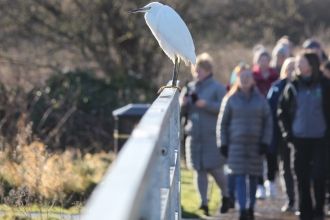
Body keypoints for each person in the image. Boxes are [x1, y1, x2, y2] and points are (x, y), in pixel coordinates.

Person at [278, 51, 330, 220]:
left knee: (319, 176)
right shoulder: (292, 85)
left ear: (312, 65)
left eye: (301, 62)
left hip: (321, 139)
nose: (297, 66)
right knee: (301, 177)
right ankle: (305, 212)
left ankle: (319, 212)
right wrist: (288, 134)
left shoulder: (325, 85)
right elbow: (282, 111)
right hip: (299, 139)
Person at [217, 64, 273, 220]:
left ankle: (251, 207)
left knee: (254, 177)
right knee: (239, 177)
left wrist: (265, 142)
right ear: (237, 79)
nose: (245, 79)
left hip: (256, 145)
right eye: (242, 77)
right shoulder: (230, 99)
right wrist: (223, 143)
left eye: (248, 76)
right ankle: (242, 209)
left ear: (253, 78)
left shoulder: (261, 100)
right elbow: (222, 124)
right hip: (236, 145)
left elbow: (268, 122)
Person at [180, 53, 229, 215]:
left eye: (199, 71)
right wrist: (184, 104)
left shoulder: (217, 88)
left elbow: (223, 108)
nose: (196, 74)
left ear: (208, 70)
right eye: (195, 71)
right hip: (194, 136)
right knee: (198, 169)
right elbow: (181, 112)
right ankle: (204, 203)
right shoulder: (190, 87)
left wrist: (205, 104)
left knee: (215, 169)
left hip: (211, 136)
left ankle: (227, 194)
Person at [267, 57, 296, 212]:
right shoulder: (277, 87)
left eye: (294, 66)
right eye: (289, 67)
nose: (291, 70)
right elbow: (270, 112)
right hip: (281, 135)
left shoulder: (302, 86)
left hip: (301, 136)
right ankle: (290, 198)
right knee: (285, 167)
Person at [252, 46, 279, 198]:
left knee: (271, 151)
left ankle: (271, 181)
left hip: (273, 118)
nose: (263, 62)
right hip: (256, 117)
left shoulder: (275, 77)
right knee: (257, 151)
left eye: (265, 59)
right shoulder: (252, 77)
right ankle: (260, 184)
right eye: (260, 59)